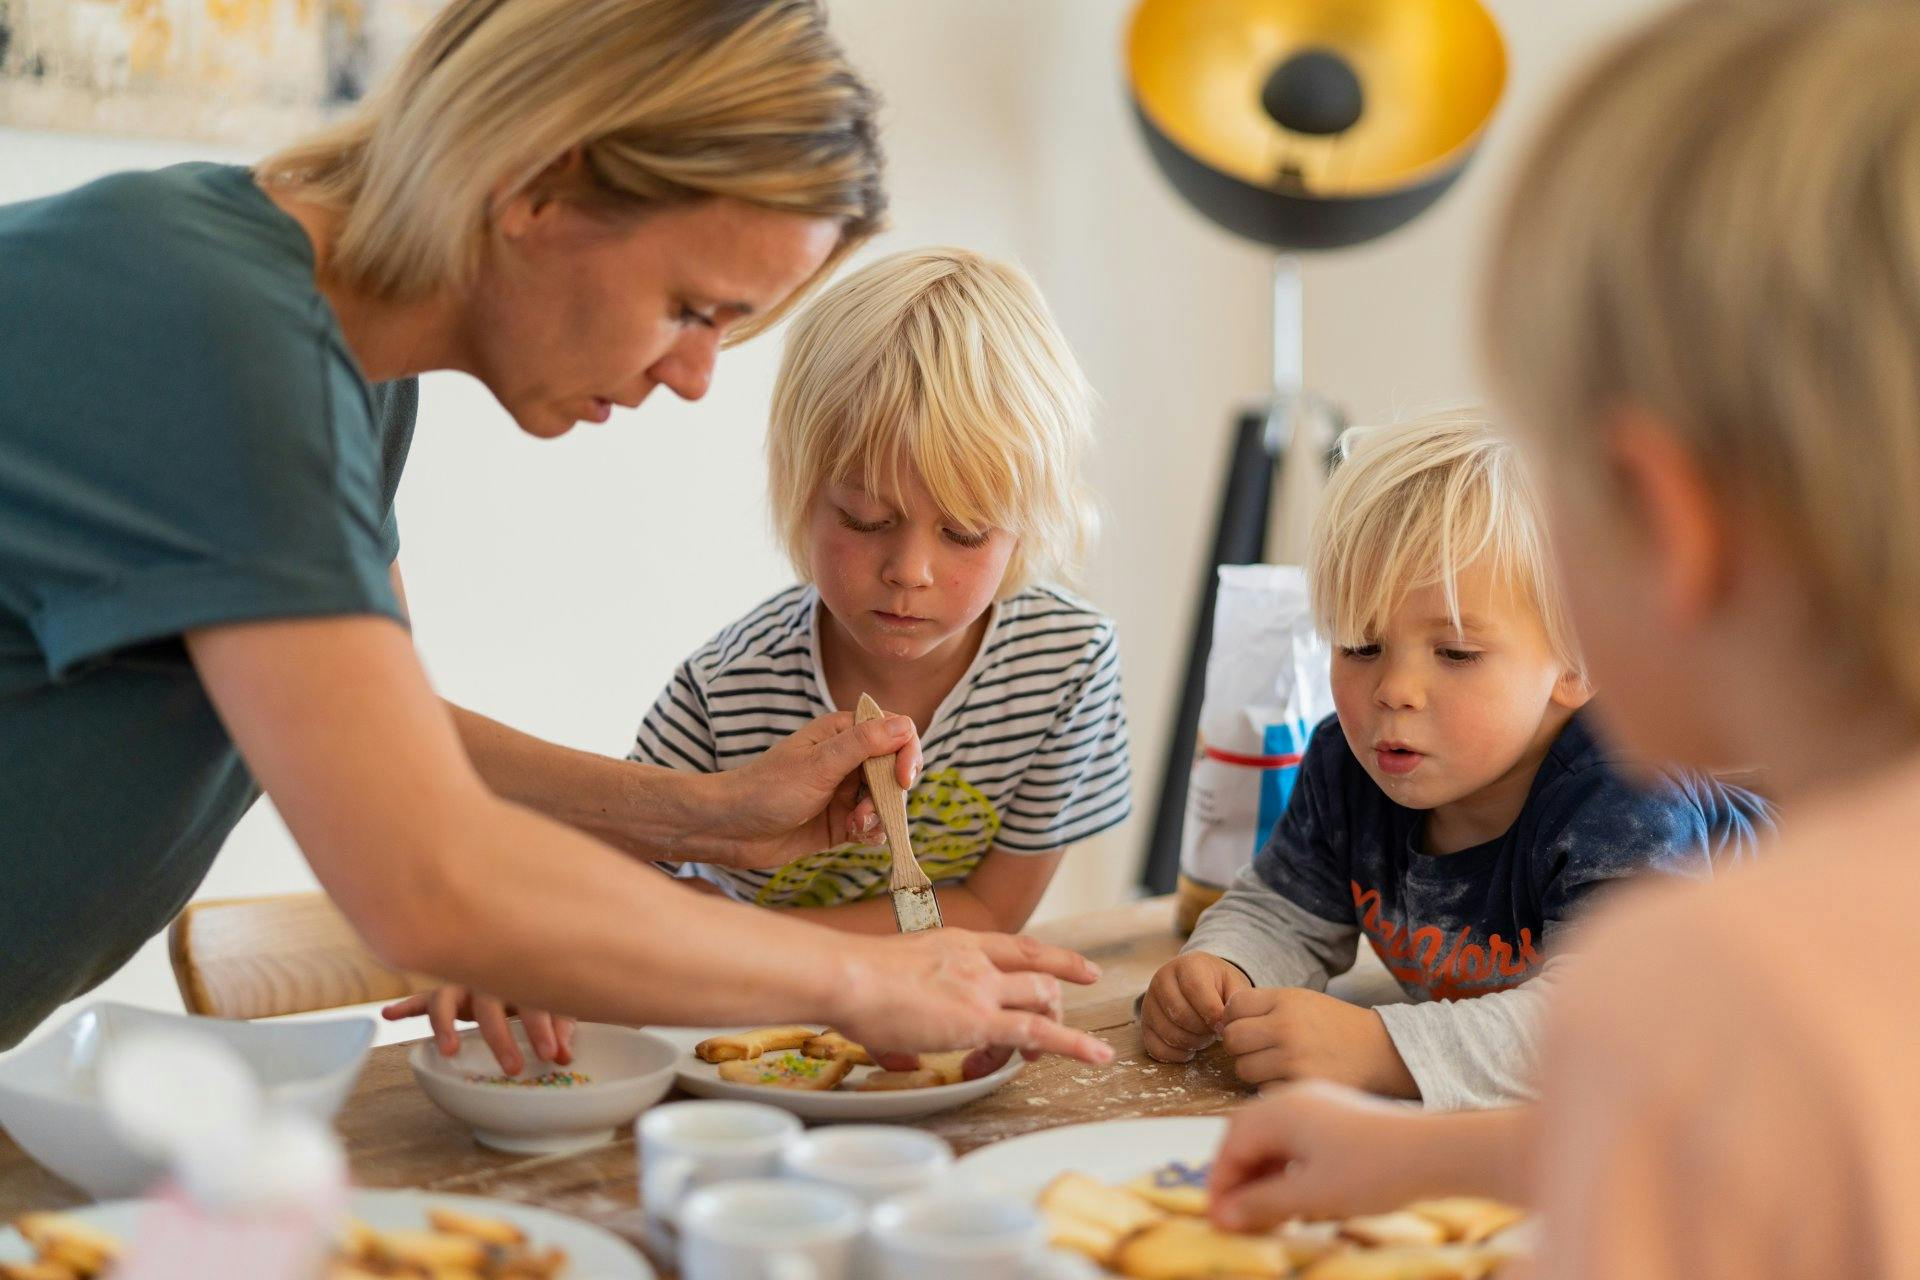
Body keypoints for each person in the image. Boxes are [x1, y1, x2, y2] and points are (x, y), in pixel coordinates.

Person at [0, 0, 1113, 1072]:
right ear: (541, 185)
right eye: (692, 306)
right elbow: (428, 876)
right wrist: (858, 978)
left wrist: (709, 817)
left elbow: (387, 734)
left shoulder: (344, 373)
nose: (692, 376)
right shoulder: (223, 341)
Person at [1204, 4, 1920, 1275]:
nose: (1396, 692)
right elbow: (1688, 1139)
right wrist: (1412, 1156)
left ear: (1658, 517)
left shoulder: (1696, 982)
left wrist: (1393, 1073)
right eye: (1365, 646)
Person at [1138, 411, 1769, 1110]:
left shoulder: (1629, 793)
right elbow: (1284, 908)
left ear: (1580, 663)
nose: (1394, 691)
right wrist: (1223, 967)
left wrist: (1382, 1051)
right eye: (1360, 646)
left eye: (1456, 653)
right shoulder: (1349, 767)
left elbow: (1612, 1026)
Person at [639, 247, 1133, 930]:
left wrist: (745, 937)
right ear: (801, 496)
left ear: (1029, 525)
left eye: (963, 533)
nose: (910, 571)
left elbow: (994, 909)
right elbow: (608, 884)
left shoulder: (1067, 665)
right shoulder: (723, 692)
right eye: (865, 519)